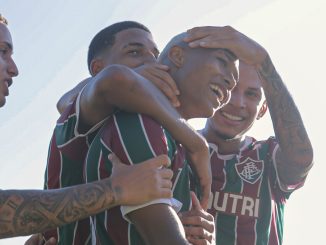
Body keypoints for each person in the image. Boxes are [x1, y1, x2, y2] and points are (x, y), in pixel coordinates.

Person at [83, 28, 268, 244]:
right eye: (221, 62)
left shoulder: (180, 146)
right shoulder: (142, 124)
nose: (230, 82)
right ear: (177, 56)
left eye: (234, 79)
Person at [0, 14, 175, 241]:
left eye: (155, 54)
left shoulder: (154, 128)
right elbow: (70, 99)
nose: (14, 69)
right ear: (98, 69)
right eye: (2, 51)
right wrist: (116, 190)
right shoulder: (81, 119)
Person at [41, 21, 212, 245]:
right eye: (134, 52)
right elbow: (112, 81)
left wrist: (199, 232)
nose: (151, 61)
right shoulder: (86, 120)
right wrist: (199, 145)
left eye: (155, 54)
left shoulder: (166, 131)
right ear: (97, 70)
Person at [180, 26, 314, 244]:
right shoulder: (176, 145)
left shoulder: (268, 157)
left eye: (251, 94)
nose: (237, 103)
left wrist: (264, 62)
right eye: (230, 87)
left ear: (262, 109)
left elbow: (301, 158)